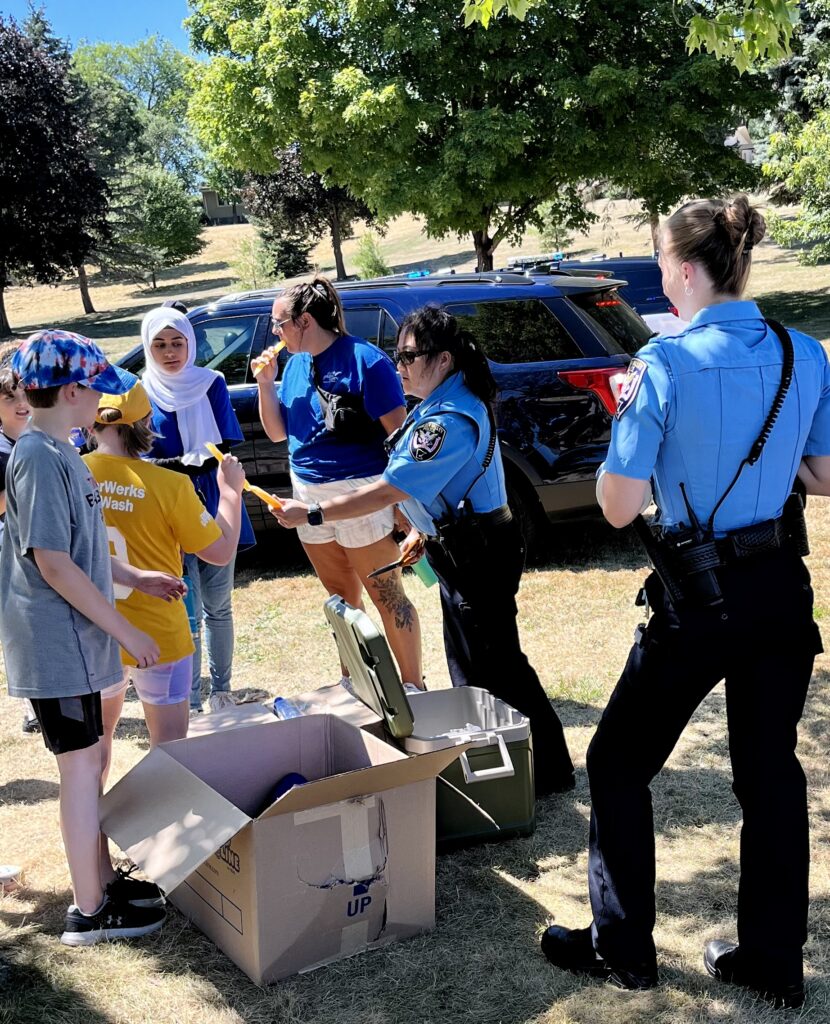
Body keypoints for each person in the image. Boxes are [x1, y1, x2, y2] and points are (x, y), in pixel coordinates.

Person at [540, 196, 830, 1009]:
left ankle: (622, 947)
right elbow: (824, 475)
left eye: (661, 261)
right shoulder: (803, 351)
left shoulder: (663, 363)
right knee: (769, 775)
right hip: (779, 589)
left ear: (686, 268)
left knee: (616, 763)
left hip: (699, 598)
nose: (660, 275)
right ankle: (772, 960)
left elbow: (619, 506)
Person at [271, 304, 575, 795]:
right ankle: (521, 768)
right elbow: (435, 485)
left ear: (444, 359)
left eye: (410, 356)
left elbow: (389, 488)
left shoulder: (448, 418)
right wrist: (421, 528)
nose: (400, 366)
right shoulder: (443, 403)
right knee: (476, 666)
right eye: (398, 355)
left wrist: (314, 513)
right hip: (464, 544)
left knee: (494, 669)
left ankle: (545, 772)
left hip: (478, 551)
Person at [0, 330, 186, 946]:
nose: (101, 403)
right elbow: (53, 563)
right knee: (81, 769)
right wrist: (126, 628)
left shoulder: (60, 452)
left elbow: (81, 550)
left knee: (90, 763)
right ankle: (89, 909)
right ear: (71, 391)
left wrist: (135, 577)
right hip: (59, 646)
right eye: (94, 391)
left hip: (78, 644)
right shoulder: (38, 457)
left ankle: (101, 881)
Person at [255, 276, 423, 691]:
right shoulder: (294, 365)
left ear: (305, 321)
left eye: (279, 323)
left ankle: (413, 687)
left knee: (387, 595)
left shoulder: (366, 361)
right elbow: (277, 433)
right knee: (340, 599)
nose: (275, 332)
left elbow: (401, 438)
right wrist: (264, 383)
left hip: (361, 492)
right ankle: (357, 684)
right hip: (307, 493)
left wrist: (403, 503)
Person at [83, 381, 247, 778]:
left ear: (91, 423)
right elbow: (219, 551)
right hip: (159, 631)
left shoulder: (73, 472)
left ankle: (92, 818)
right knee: (170, 750)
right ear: (147, 425)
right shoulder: (170, 484)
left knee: (93, 750)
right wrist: (230, 492)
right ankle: (165, 819)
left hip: (94, 629)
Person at [140, 306, 257, 714]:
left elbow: (224, 446)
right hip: (167, 508)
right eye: (160, 344)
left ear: (191, 343)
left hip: (212, 497)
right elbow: (140, 458)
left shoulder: (212, 383)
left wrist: (201, 469)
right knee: (183, 606)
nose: (170, 352)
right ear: (147, 347)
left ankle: (221, 689)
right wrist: (182, 465)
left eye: (177, 342)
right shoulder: (142, 391)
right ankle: (188, 698)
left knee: (218, 605)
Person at [0, 360, 39, 735]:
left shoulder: (46, 438)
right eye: (10, 397)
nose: (21, 403)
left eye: (25, 394)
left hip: (48, 545)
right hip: (9, 551)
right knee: (22, 630)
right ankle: (33, 707)